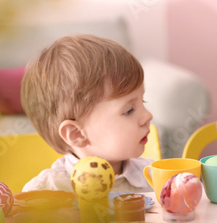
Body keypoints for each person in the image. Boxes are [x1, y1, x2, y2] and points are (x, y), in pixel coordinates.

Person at [21, 34, 154, 193]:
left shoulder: (153, 178)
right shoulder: (47, 191)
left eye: (143, 101)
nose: (148, 116)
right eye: (129, 110)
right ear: (77, 134)